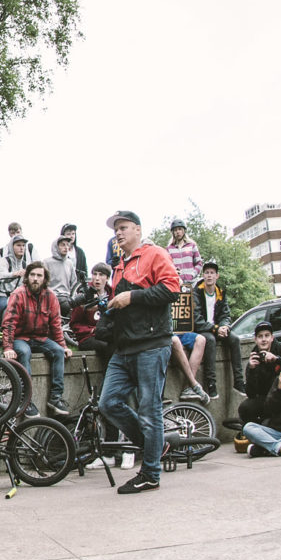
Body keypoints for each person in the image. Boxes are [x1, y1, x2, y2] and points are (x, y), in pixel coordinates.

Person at [94, 209, 180, 495]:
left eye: (124, 227)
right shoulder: (119, 265)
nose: (118, 233)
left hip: (151, 346)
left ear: (138, 230)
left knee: (149, 410)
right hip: (124, 348)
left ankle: (151, 473)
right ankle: (154, 445)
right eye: (116, 229)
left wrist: (132, 296)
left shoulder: (154, 254)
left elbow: (172, 289)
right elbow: (120, 307)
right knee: (108, 403)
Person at [0, 262, 66, 413]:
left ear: (44, 279)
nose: (35, 279)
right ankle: (26, 399)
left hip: (40, 338)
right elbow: (9, 323)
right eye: (32, 275)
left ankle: (55, 398)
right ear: (27, 277)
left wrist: (63, 346)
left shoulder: (51, 296)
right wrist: (8, 347)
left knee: (59, 352)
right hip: (20, 337)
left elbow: (56, 324)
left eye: (39, 275)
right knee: (24, 353)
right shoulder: (19, 294)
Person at [194, 261, 245, 398]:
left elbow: (225, 314)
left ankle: (239, 381)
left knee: (234, 339)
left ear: (217, 276)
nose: (209, 276)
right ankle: (211, 384)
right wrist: (215, 329)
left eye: (212, 273)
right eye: (206, 273)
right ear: (203, 275)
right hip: (204, 329)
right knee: (209, 340)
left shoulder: (220, 292)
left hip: (217, 328)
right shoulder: (196, 292)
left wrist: (224, 326)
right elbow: (196, 319)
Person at [165, 220, 203, 288]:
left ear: (184, 231)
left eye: (180, 229)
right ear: (173, 232)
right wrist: (174, 272)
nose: (178, 232)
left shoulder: (192, 245)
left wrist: (192, 274)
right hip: (176, 284)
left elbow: (199, 263)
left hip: (192, 284)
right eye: (175, 230)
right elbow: (167, 267)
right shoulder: (169, 249)